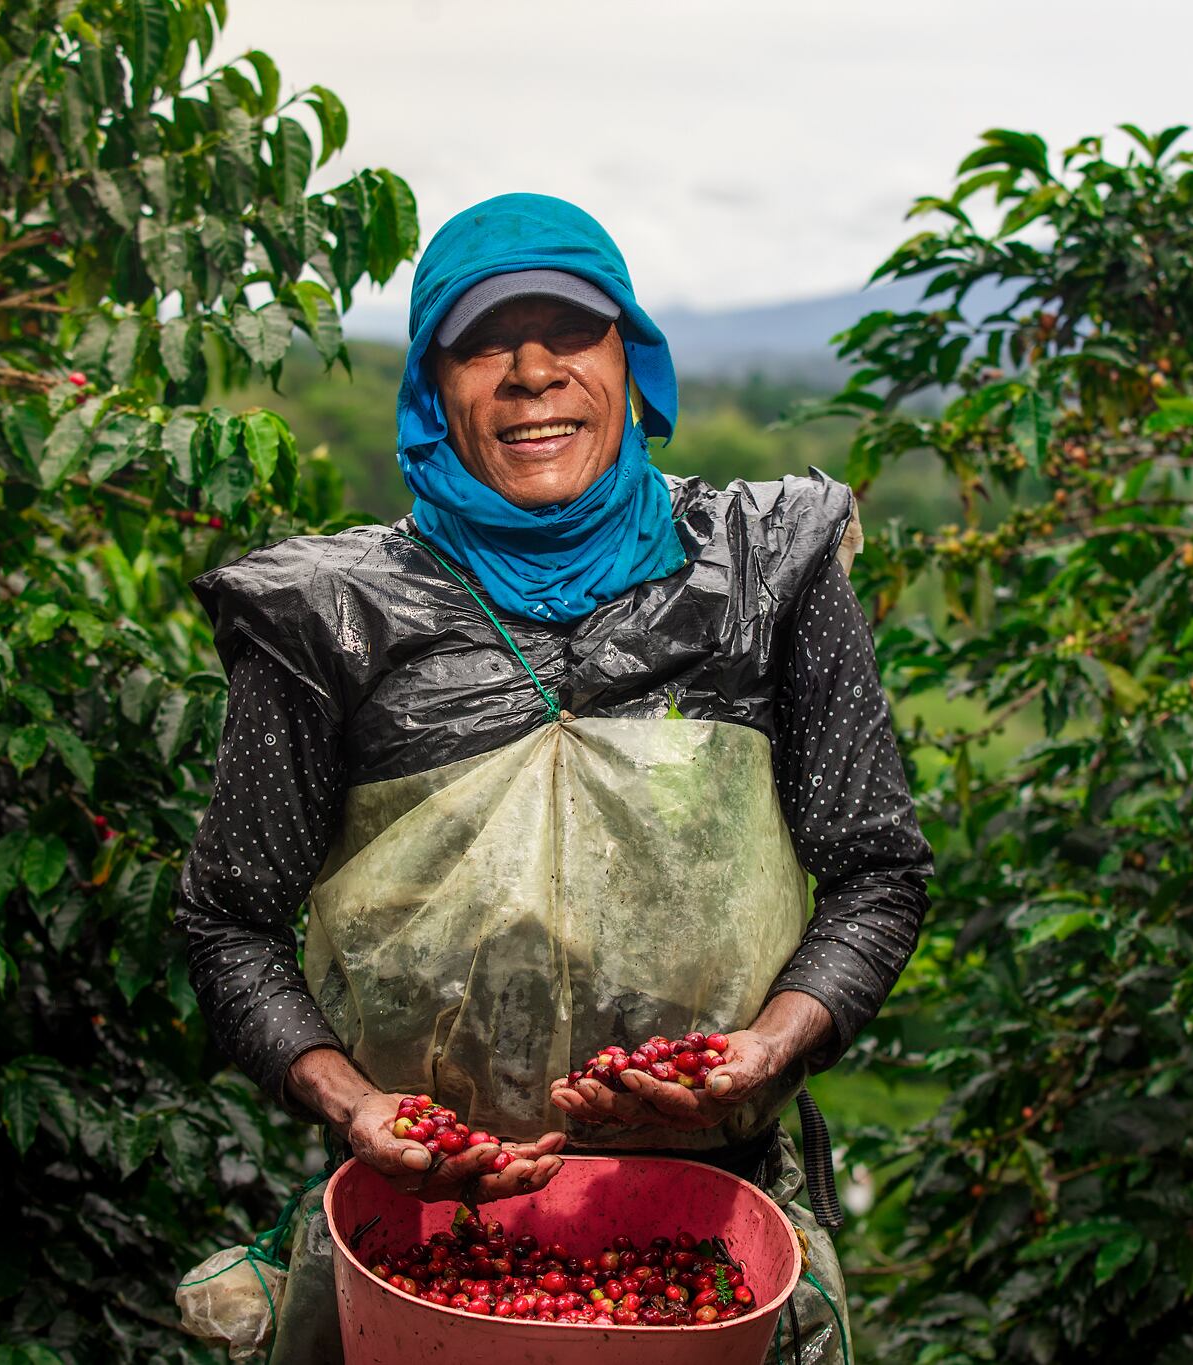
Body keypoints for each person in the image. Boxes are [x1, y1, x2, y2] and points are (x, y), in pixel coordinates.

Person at [175, 192, 932, 1362]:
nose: (532, 375)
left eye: (571, 332)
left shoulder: (764, 573)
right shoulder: (328, 617)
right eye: (483, 345)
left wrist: (766, 1050)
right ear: (433, 389)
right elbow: (228, 921)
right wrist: (354, 1103)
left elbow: (876, 875)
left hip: (709, 1214)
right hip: (429, 1229)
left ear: (632, 361)